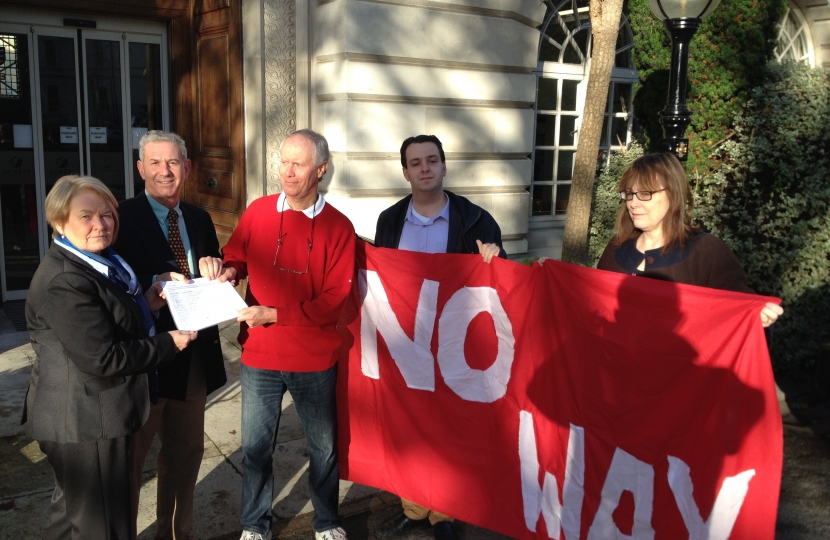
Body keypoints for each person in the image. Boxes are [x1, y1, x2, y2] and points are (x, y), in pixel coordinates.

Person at [200, 129, 355, 540]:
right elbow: (237, 252)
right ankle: (254, 524)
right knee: (255, 450)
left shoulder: (340, 228)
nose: (287, 172)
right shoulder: (258, 210)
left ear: (320, 170)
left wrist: (276, 313)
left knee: (322, 450)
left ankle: (326, 521)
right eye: (283, 162)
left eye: (298, 164)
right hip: (260, 357)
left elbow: (335, 300)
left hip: (313, 358)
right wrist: (229, 269)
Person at [22, 175, 197, 539]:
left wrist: (147, 301)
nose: (100, 224)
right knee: (104, 527)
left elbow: (108, 320)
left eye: (107, 215)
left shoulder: (99, 260)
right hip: (87, 420)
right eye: (86, 216)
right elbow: (102, 357)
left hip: (92, 413)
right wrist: (169, 343)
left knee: (72, 518)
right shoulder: (65, 279)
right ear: (59, 221)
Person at [372, 134, 505, 540]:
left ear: (444, 167)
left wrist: (494, 261)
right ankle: (414, 507)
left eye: (432, 160)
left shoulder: (477, 220)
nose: (424, 168)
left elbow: (499, 285)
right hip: (407, 342)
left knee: (450, 428)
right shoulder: (390, 220)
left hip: (454, 343)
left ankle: (445, 513)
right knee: (409, 425)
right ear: (406, 172)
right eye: (416, 163)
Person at [113, 130, 228, 540]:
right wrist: (151, 281)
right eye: (156, 163)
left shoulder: (198, 218)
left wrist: (218, 265)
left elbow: (213, 270)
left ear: (187, 168)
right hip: (143, 362)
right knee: (129, 462)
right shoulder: (119, 217)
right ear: (141, 168)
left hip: (192, 360)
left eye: (174, 162)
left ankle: (177, 534)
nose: (166, 171)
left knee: (184, 457)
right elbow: (107, 282)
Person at [596, 152, 782, 326]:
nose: (633, 203)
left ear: (673, 194)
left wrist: (759, 316)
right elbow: (595, 309)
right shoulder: (616, 249)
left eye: (645, 194)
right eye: (629, 194)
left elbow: (738, 309)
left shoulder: (706, 252)